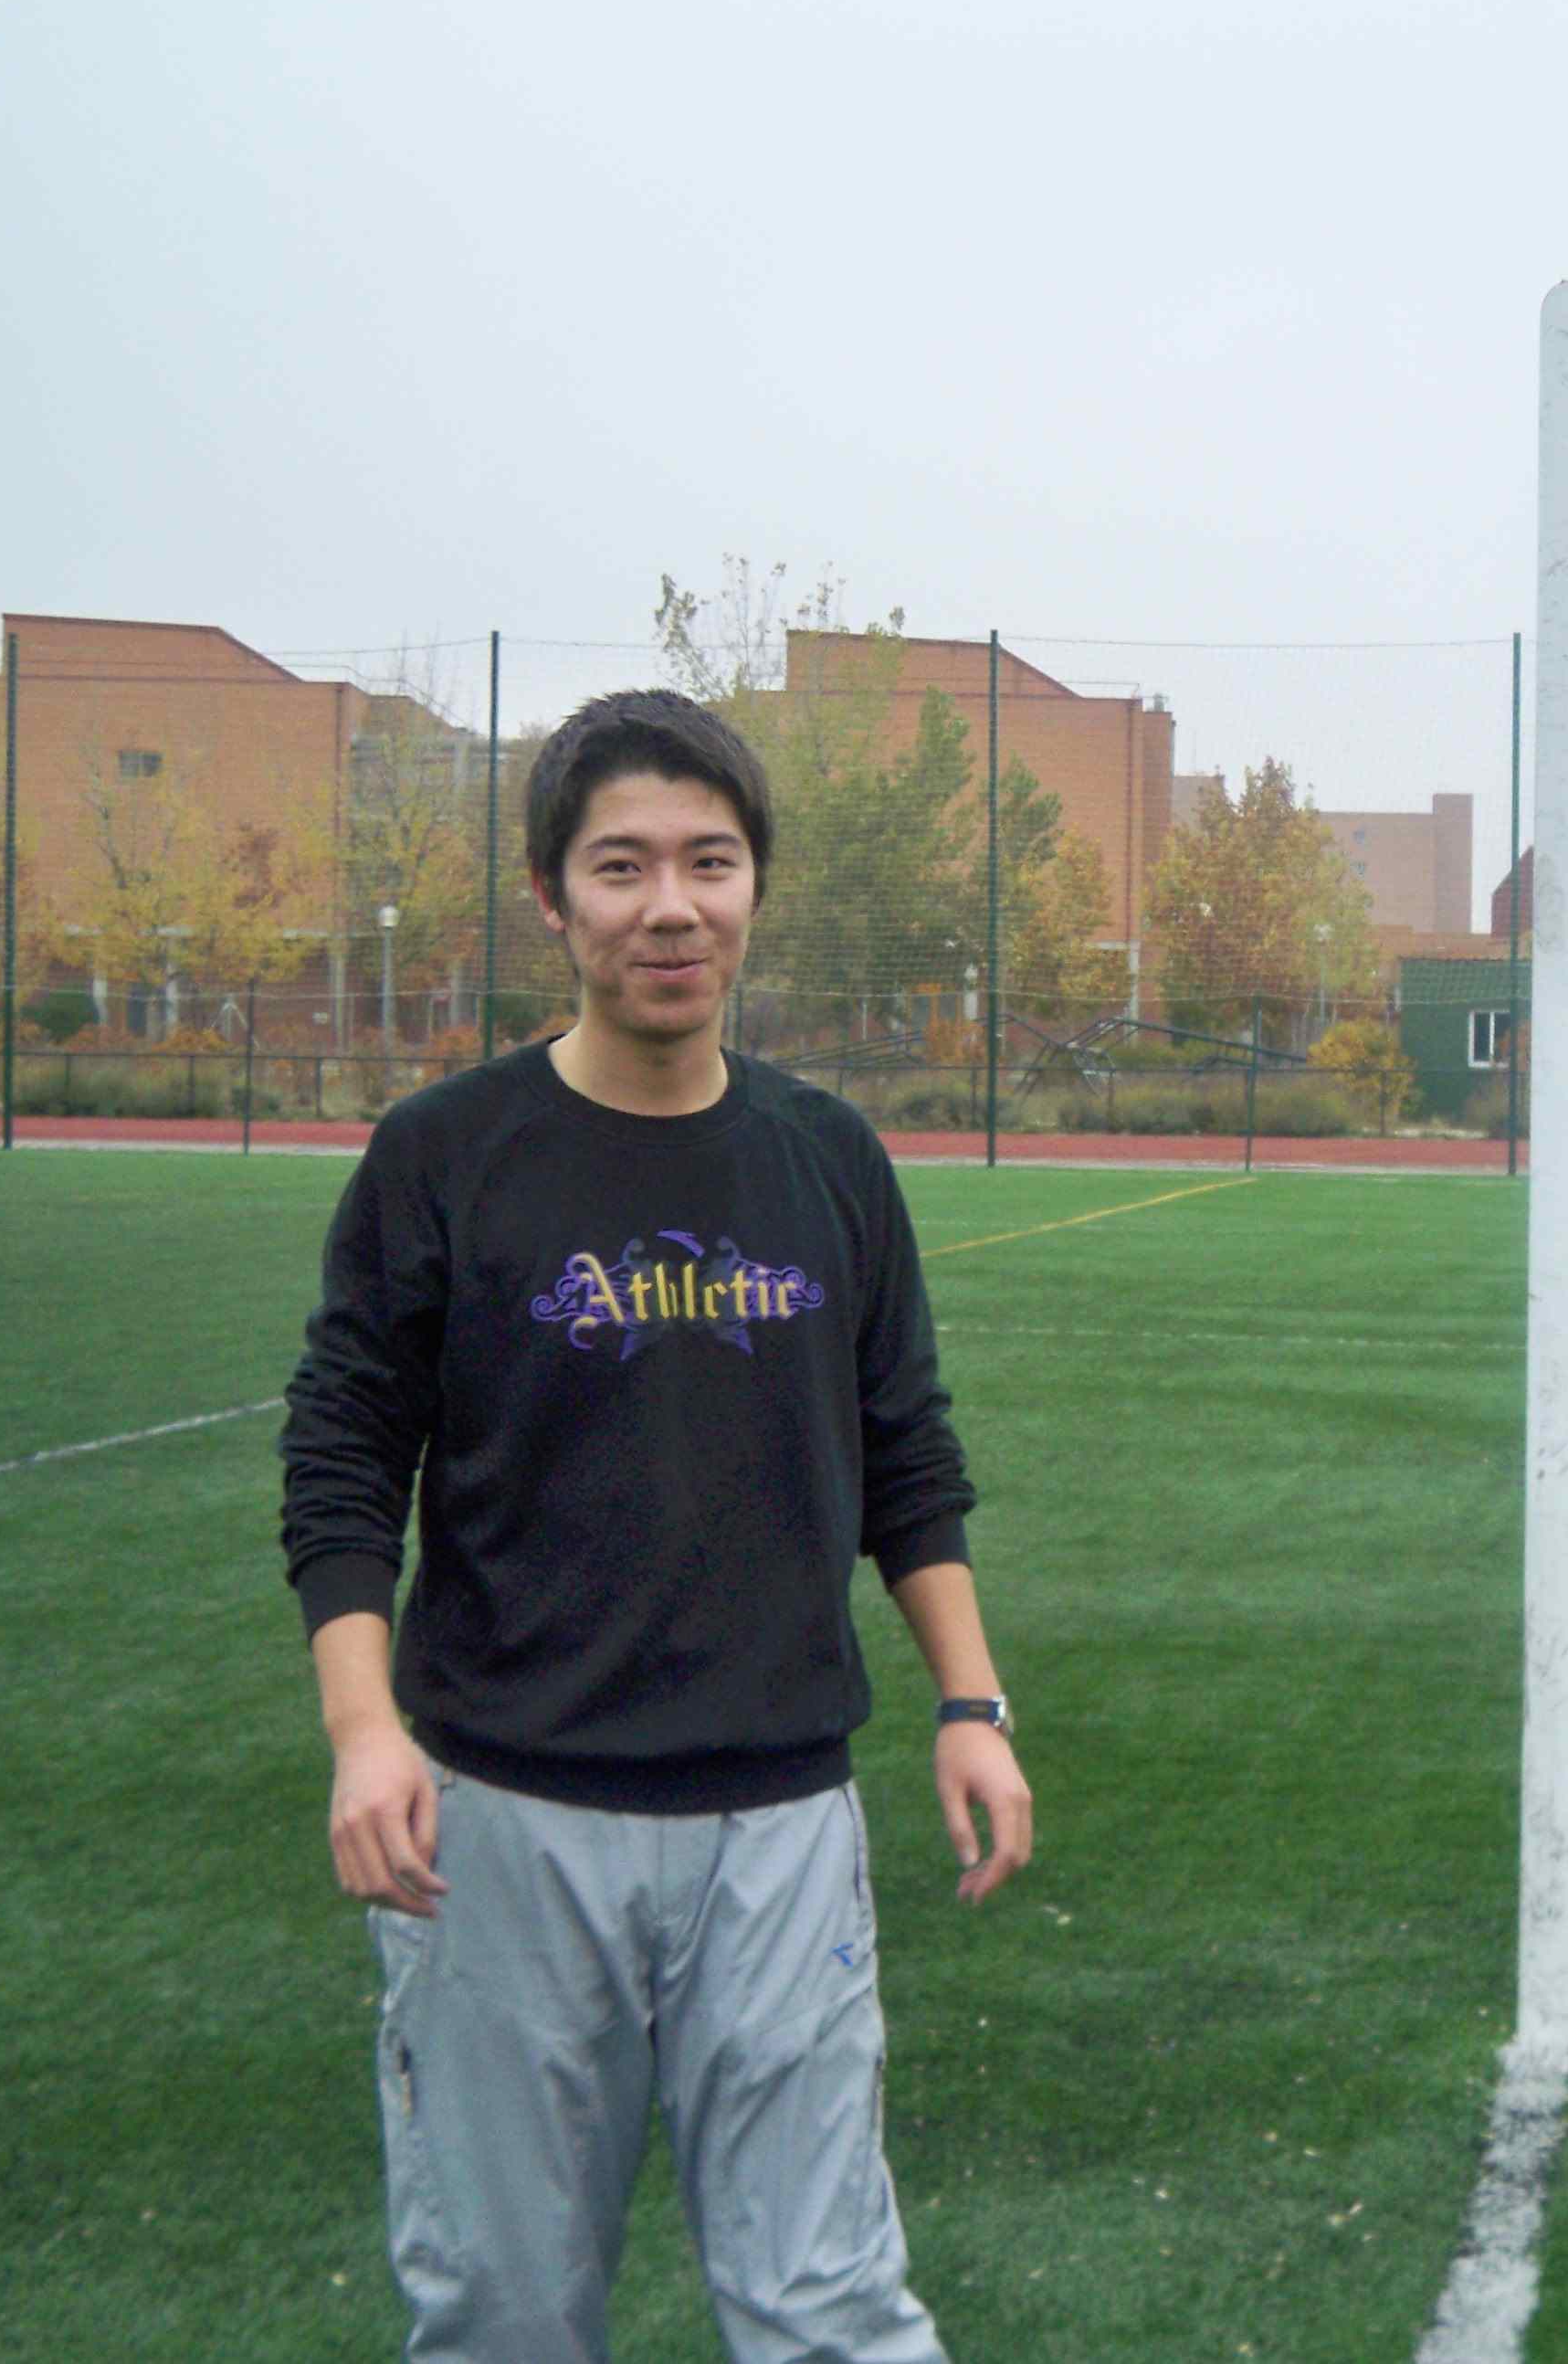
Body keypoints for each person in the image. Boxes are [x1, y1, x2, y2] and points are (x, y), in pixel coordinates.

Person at [279, 687, 1031, 2364]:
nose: (670, 906)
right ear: (553, 896)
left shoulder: (827, 1160)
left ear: (756, 885)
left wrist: (969, 1707)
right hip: (503, 1830)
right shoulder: (446, 1158)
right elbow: (343, 1457)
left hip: (778, 1829)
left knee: (830, 2309)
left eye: (711, 861)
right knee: (502, 2315)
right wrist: (362, 1730)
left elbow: (907, 1452)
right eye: (622, 866)